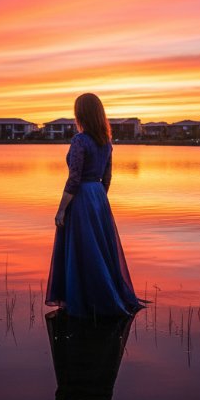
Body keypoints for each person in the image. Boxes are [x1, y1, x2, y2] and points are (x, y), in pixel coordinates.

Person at [46, 93, 143, 317]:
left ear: (81, 114)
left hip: (81, 198)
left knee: (83, 249)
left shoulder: (80, 141)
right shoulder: (106, 142)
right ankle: (99, 294)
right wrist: (98, 200)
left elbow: (74, 178)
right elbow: (107, 178)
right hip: (99, 196)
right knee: (96, 249)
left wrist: (61, 209)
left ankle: (81, 299)